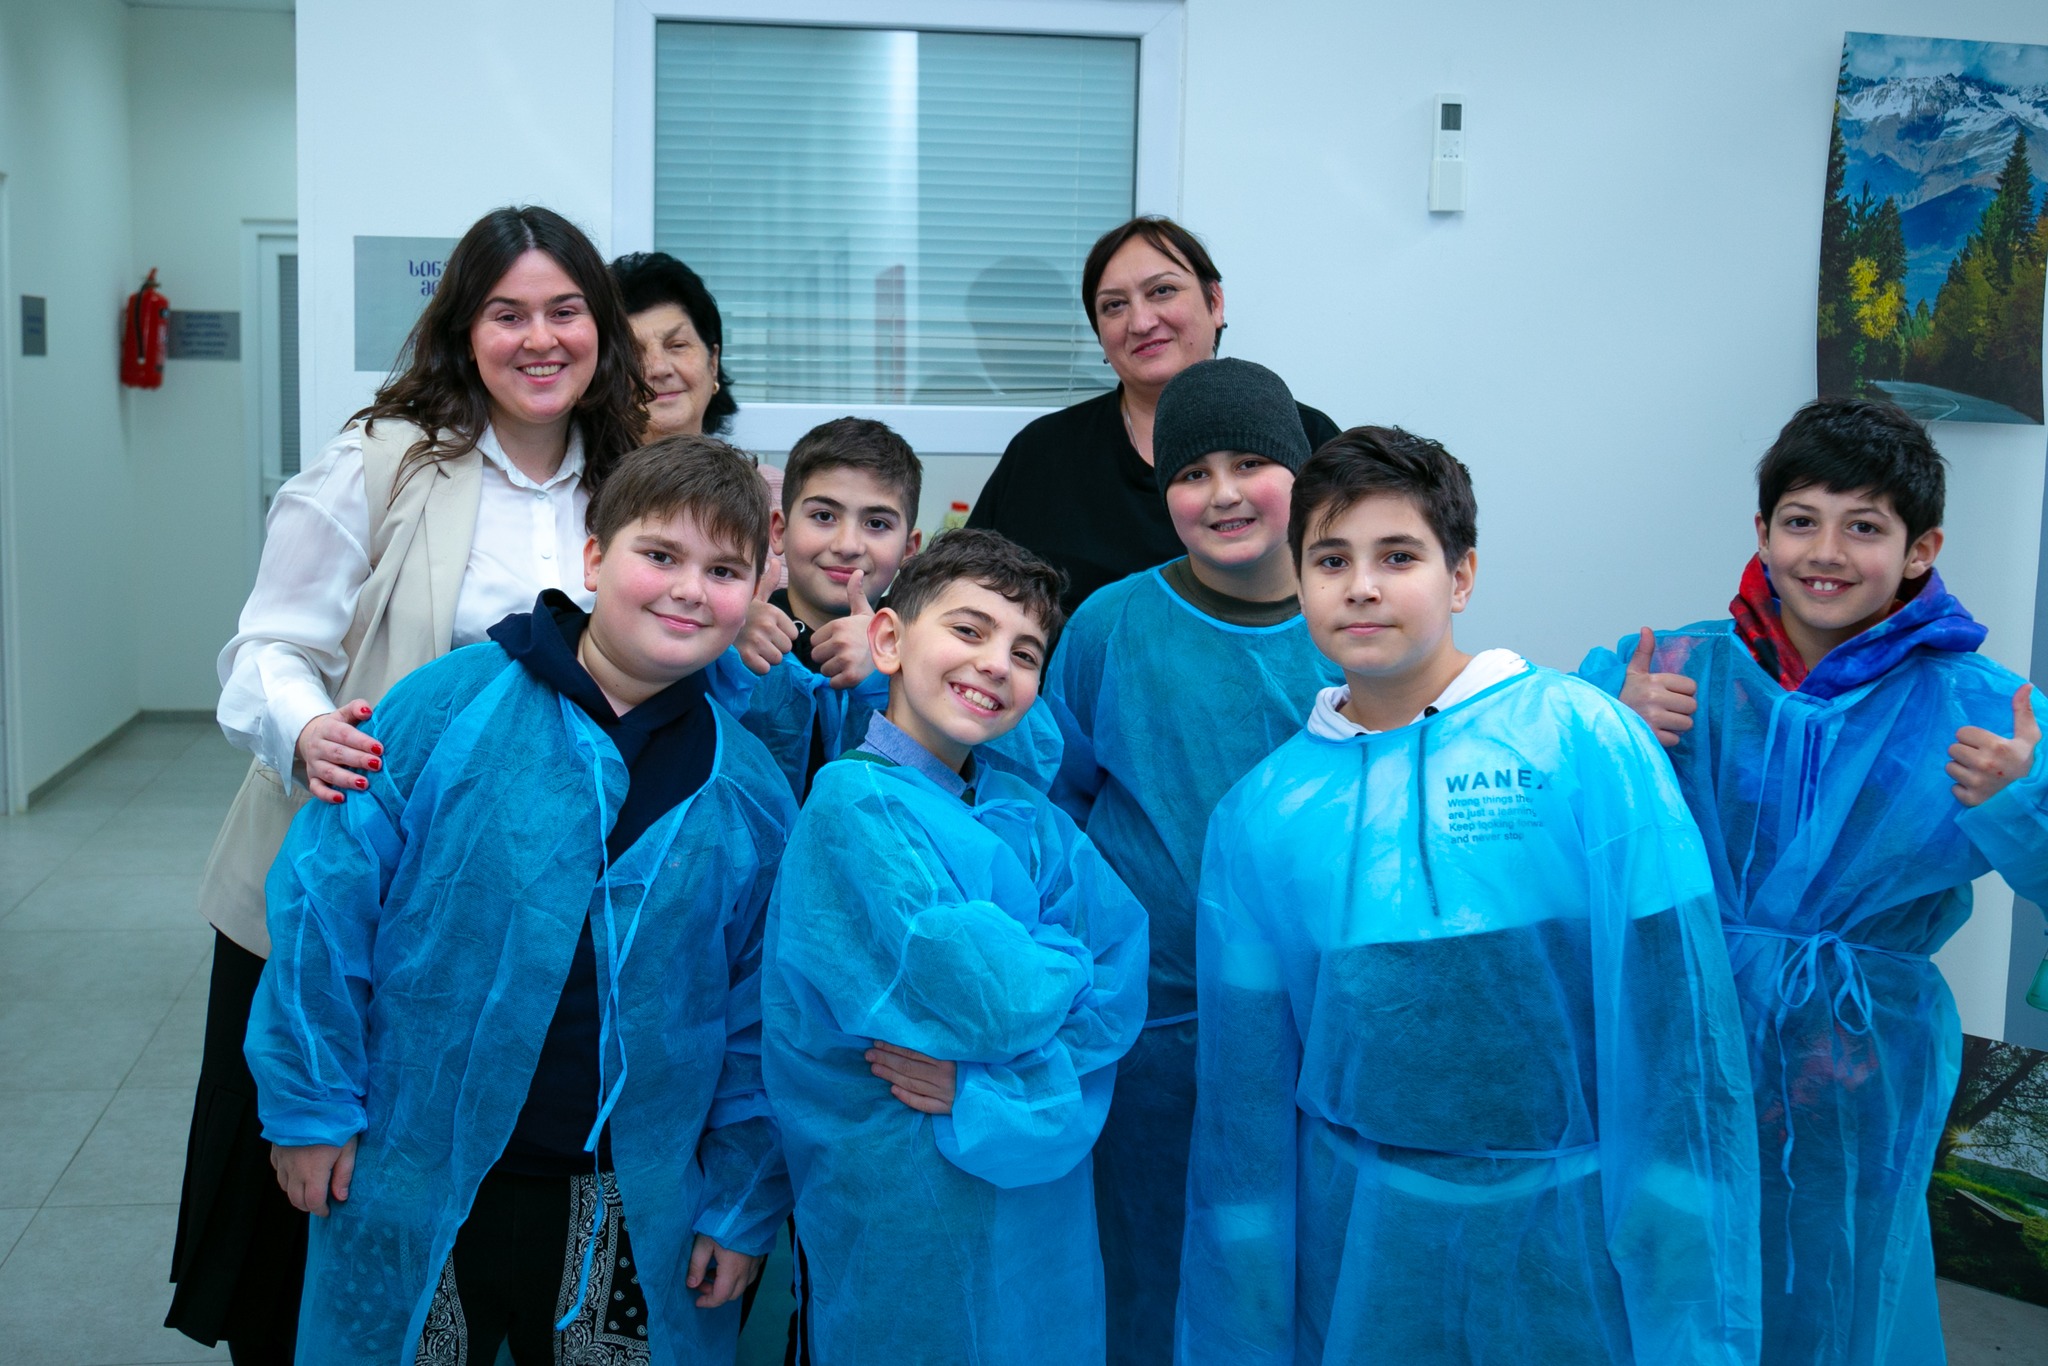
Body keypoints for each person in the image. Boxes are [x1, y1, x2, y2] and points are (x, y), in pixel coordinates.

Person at [172, 205, 648, 1364]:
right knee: (309, 1184)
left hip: (520, 905)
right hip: (343, 880)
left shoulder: (631, 479)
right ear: (462, 330)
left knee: (470, 1195)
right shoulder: (382, 461)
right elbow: (265, 649)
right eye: (506, 314)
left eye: (564, 311)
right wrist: (305, 729)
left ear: (600, 327)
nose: (539, 339)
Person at [1177, 429, 1761, 1366]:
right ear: (1300, 581)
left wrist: (1679, 1208)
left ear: (1462, 576)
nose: (1362, 587)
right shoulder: (1262, 814)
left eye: (1397, 556)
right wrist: (1246, 1263)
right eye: (1331, 560)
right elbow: (1246, 1087)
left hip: (1571, 1234)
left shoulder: (1580, 739)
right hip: (1361, 1241)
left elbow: (1675, 1016)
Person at [247, 436, 795, 1366]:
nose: (688, 590)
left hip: (630, 1197)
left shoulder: (746, 788)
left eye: (724, 570)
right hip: (417, 1161)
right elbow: (324, 908)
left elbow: (761, 1014)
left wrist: (740, 1202)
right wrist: (312, 1106)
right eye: (660, 555)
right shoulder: (447, 706)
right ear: (594, 557)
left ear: (754, 591)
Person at [1578, 398, 2048, 1366]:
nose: (1824, 552)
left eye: (1864, 526)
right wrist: (1603, 728)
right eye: (1801, 520)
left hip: (1858, 1060)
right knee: (1660, 1261)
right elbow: (1543, 839)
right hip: (1681, 1023)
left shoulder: (1983, 709)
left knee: (1834, 1279)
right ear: (1762, 531)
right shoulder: (1668, 672)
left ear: (1920, 550)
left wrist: (2020, 803)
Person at [763, 529, 1150, 1366]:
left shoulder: (1025, 812)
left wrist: (986, 1086)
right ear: (889, 640)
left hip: (1043, 1221)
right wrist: (1062, 963)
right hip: (907, 1207)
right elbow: (994, 1001)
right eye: (968, 630)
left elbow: (1122, 973)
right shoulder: (855, 808)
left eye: (1025, 652)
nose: (994, 664)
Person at [1041, 357, 1339, 1366]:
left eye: (1249, 463)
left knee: (1296, 1275)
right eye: (1190, 472)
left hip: (1316, 1025)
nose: (1220, 494)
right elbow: (1056, 803)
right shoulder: (1110, 626)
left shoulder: (1353, 626)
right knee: (1147, 1278)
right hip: (1148, 1034)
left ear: (1301, 474)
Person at [968, 215, 1340, 612]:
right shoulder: (1043, 452)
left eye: (1162, 291)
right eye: (1114, 305)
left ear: (1215, 302)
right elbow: (965, 586)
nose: (1141, 322)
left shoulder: (1307, 437)